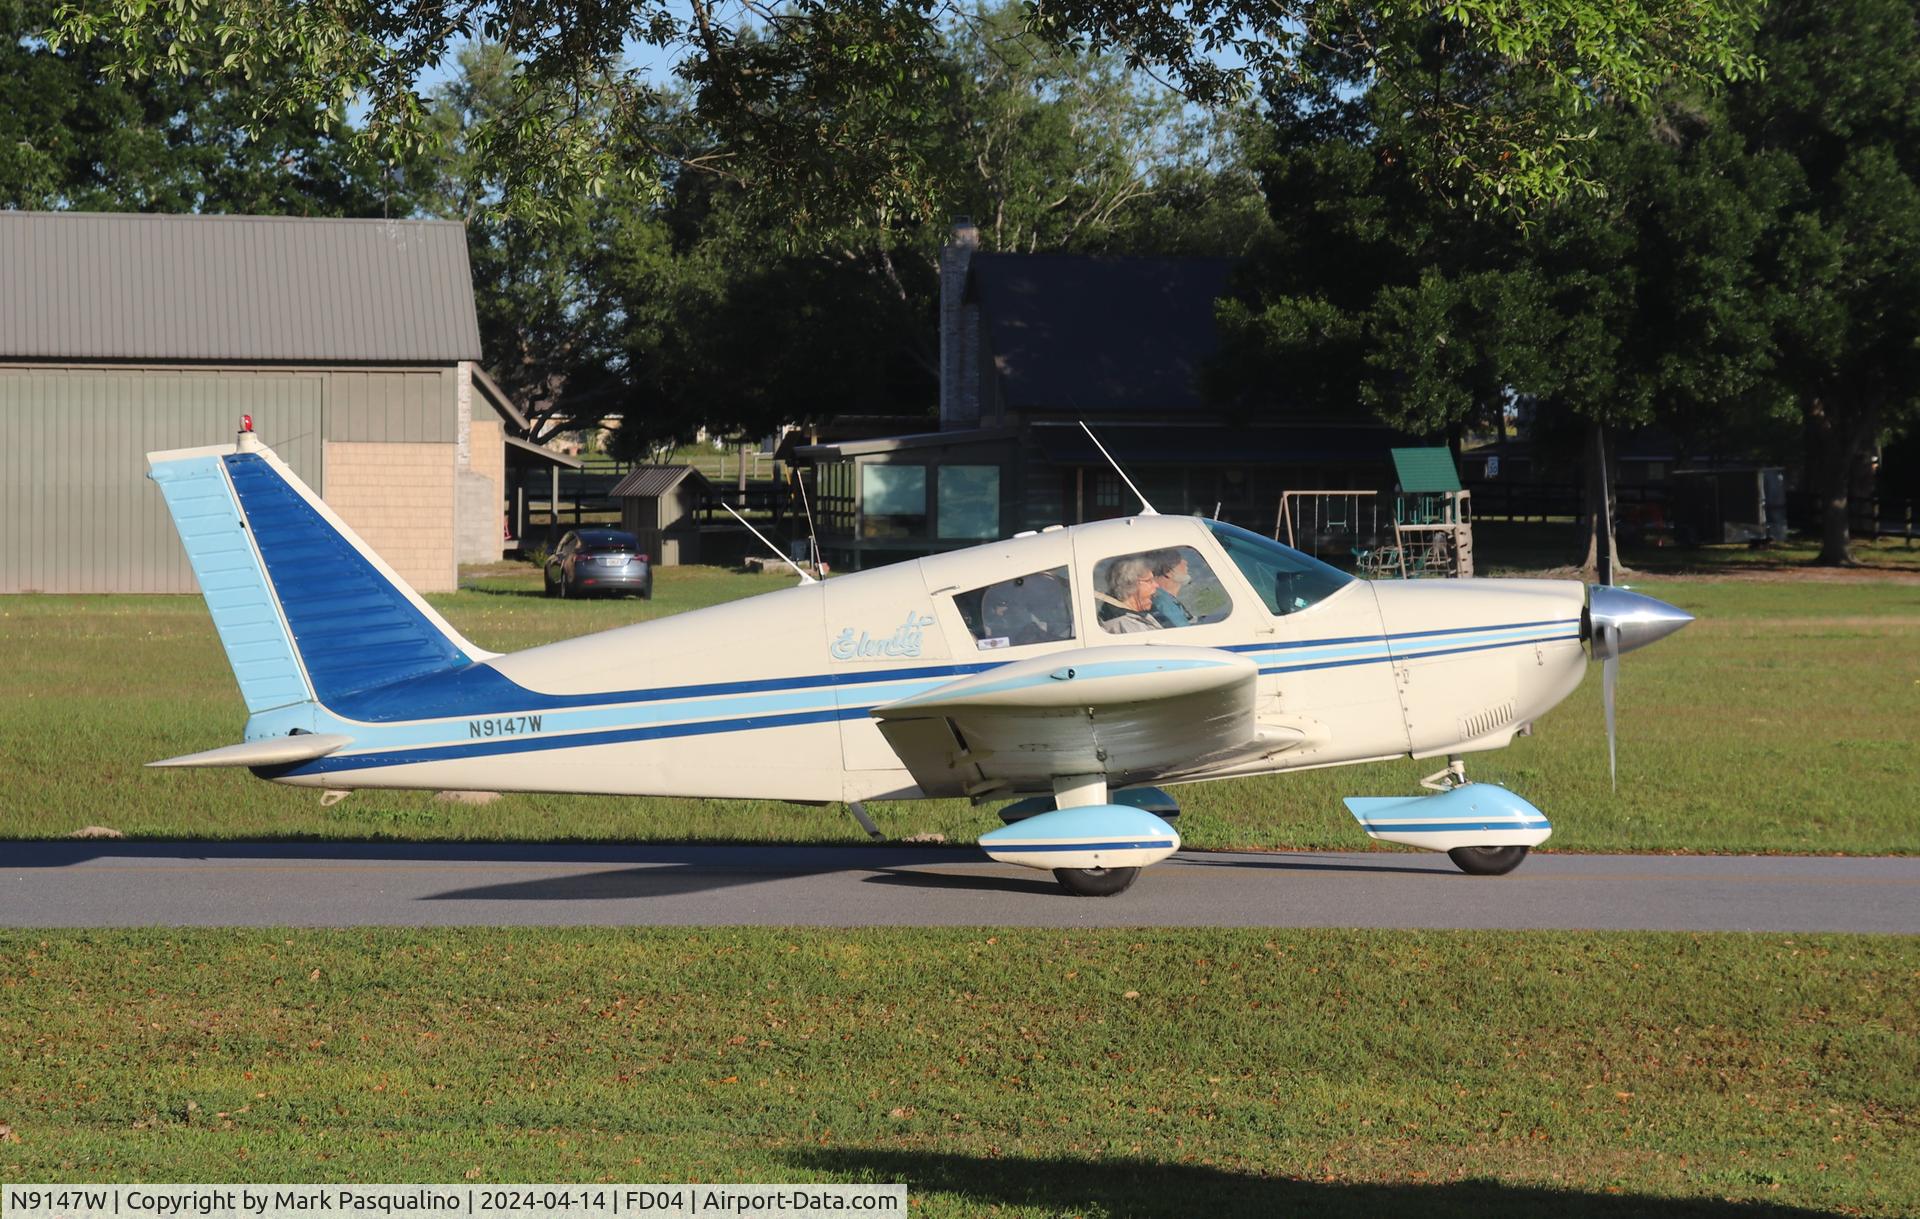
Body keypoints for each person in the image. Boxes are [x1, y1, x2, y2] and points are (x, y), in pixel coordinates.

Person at [1098, 556, 1162, 634]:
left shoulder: (1136, 616)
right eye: (1149, 581)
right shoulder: (1124, 624)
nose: (1156, 585)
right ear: (1130, 583)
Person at [1147, 549, 1196, 627]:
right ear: (1168, 572)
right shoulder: (1163, 602)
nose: (1185, 562)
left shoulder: (1165, 598)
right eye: (1178, 560)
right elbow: (1185, 631)